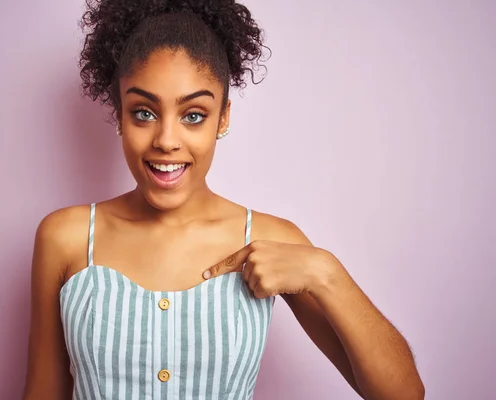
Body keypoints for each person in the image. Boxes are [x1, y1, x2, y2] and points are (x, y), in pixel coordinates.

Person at [22, 1, 425, 399]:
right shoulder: (67, 237)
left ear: (223, 118)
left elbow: (403, 395)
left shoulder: (271, 238)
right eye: (143, 113)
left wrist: (326, 272)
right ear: (120, 115)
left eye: (193, 115)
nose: (166, 140)